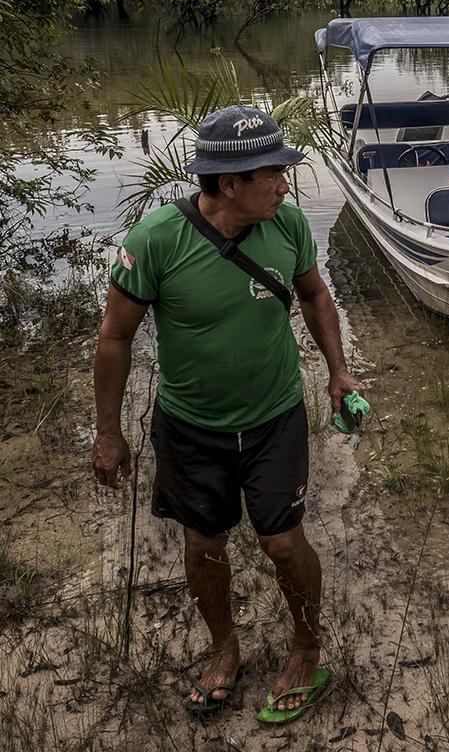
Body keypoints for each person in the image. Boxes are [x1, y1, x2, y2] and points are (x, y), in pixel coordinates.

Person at [91, 105, 363, 722]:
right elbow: (114, 338)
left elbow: (315, 292)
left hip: (275, 417)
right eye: (275, 174)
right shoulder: (156, 239)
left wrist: (338, 372)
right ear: (231, 183)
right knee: (202, 541)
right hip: (190, 426)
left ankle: (305, 645)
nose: (287, 185)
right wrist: (108, 433)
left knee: (283, 542)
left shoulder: (288, 224)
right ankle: (223, 645)